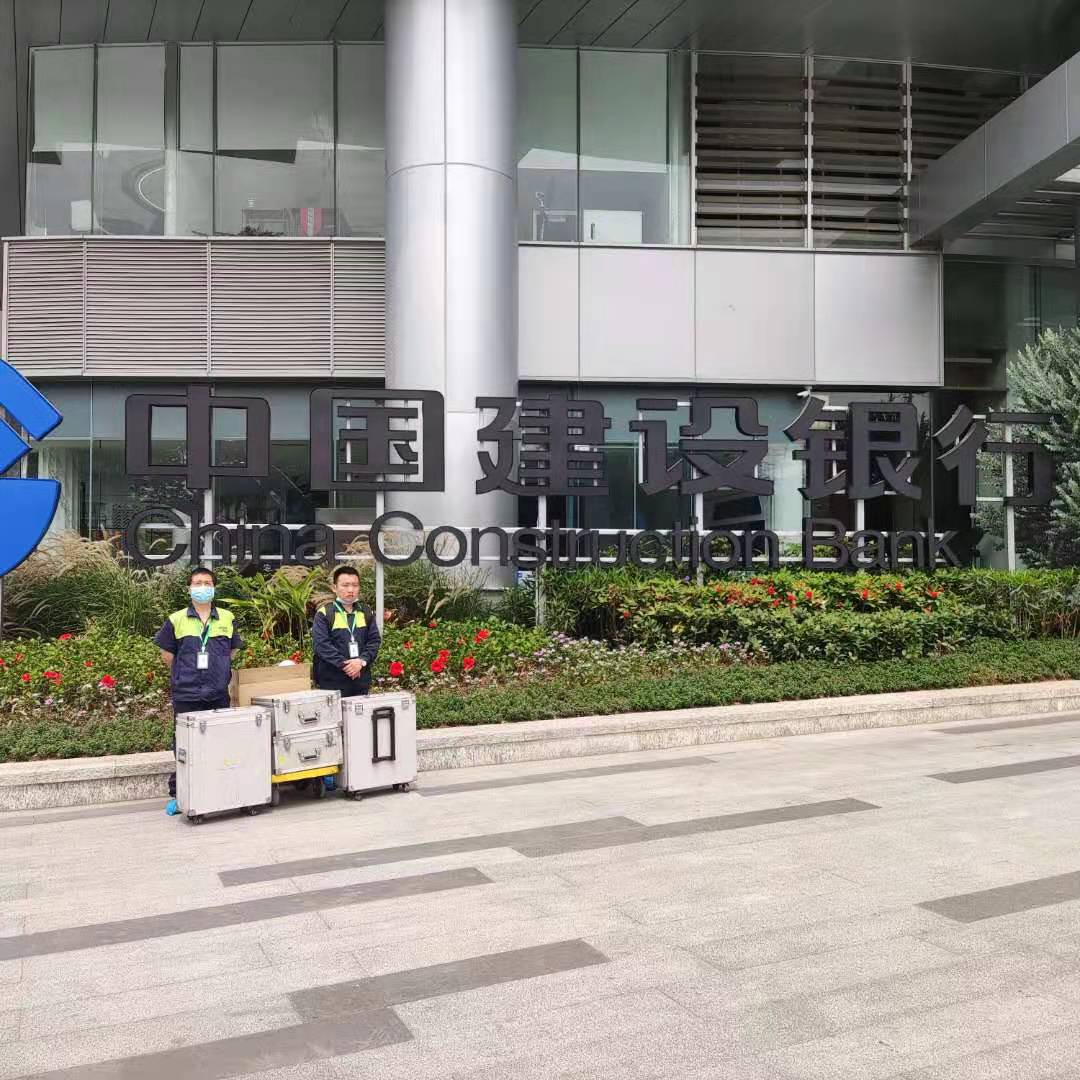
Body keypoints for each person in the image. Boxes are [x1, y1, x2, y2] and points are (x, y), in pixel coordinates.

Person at [155, 567, 244, 806]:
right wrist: (186, 672)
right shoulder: (176, 619)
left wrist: (218, 668)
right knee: (185, 744)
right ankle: (180, 793)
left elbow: (232, 650)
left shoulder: (227, 617)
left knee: (218, 741)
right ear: (189, 588)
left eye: (207, 583)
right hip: (187, 692)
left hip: (217, 692)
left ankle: (216, 790)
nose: (202, 587)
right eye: (197, 583)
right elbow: (167, 655)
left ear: (214, 588)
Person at [312, 565, 381, 698]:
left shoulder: (366, 612)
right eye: (345, 585)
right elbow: (322, 645)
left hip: (360, 680)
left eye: (355, 585)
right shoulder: (324, 613)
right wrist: (346, 666)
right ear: (334, 588)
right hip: (332, 682)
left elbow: (374, 641)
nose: (350, 590)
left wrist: (361, 661)